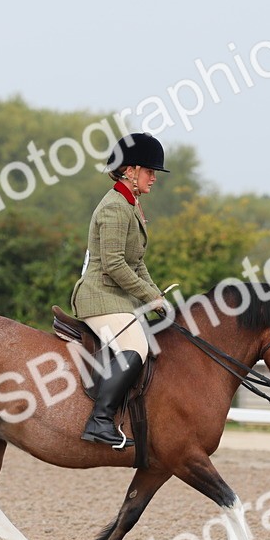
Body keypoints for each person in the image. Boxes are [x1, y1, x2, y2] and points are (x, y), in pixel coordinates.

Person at [69, 132, 169, 449]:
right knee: (136, 345)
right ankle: (100, 420)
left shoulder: (131, 205)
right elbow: (113, 264)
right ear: (130, 170)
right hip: (99, 296)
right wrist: (148, 297)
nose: (154, 178)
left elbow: (136, 264)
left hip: (117, 296)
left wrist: (159, 298)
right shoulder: (115, 207)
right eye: (149, 171)